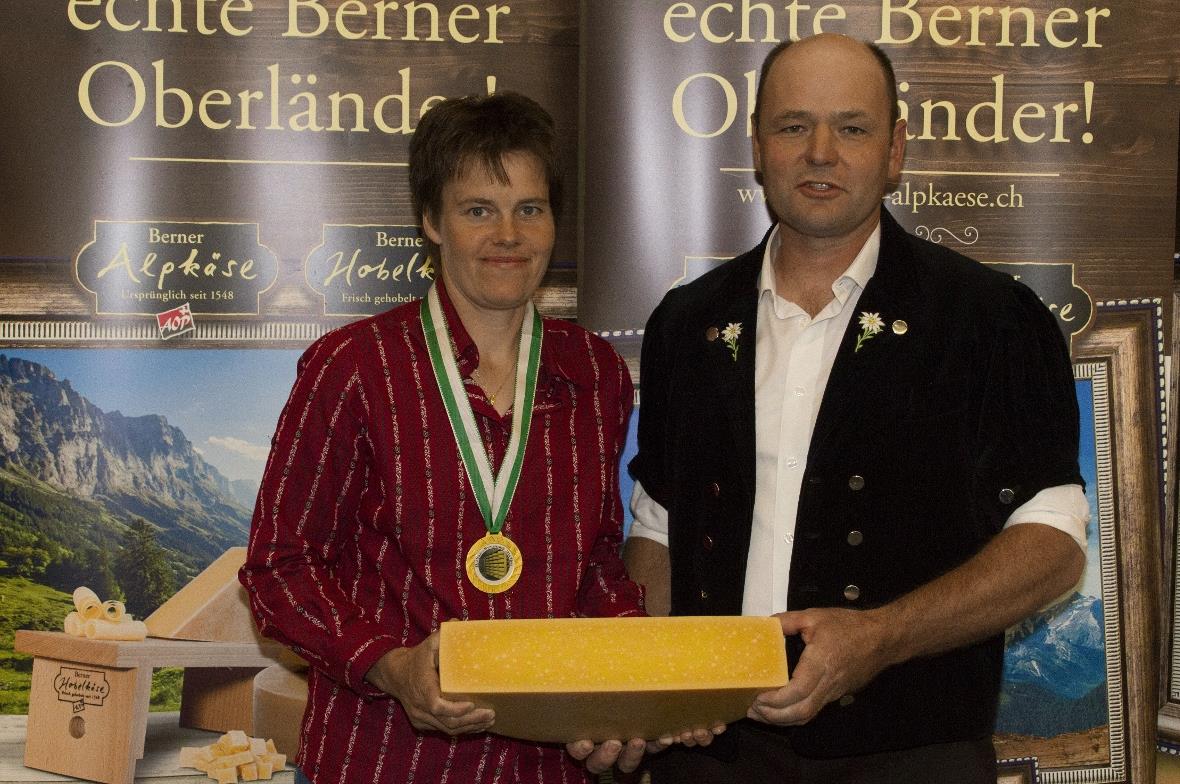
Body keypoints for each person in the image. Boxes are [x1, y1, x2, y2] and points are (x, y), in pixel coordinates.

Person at [624, 34, 1089, 783]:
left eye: (852, 126)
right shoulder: (687, 322)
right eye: (792, 125)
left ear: (896, 149)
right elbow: (655, 527)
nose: (819, 152)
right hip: (708, 756)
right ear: (757, 146)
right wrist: (644, 697)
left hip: (910, 753)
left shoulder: (991, 317)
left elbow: (1054, 545)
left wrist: (882, 636)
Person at [239, 92, 652, 784]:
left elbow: (597, 566)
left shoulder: (595, 371)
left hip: (545, 768)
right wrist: (390, 664)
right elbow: (280, 568)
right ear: (431, 220)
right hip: (384, 759)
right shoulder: (354, 366)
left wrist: (632, 682)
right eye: (478, 210)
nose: (509, 235)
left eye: (531, 208)